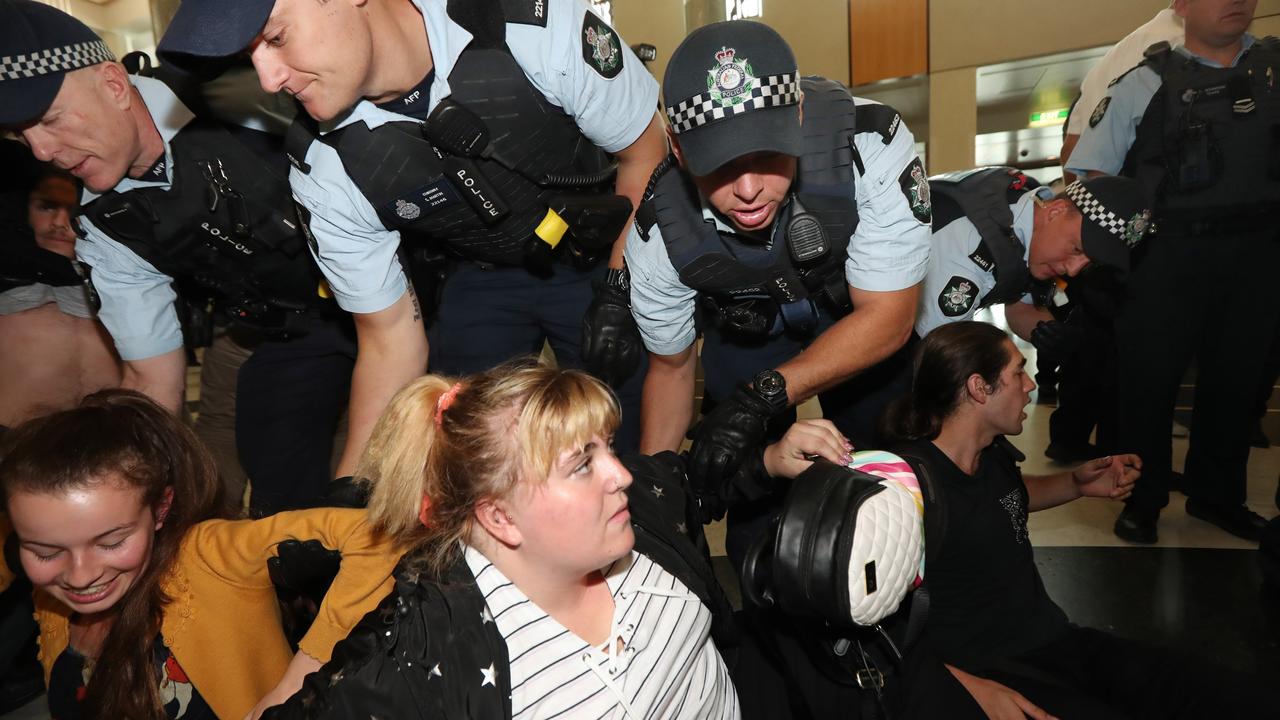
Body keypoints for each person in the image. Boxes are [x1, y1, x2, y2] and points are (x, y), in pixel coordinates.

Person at [155, 0, 670, 454]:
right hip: (481, 271)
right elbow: (388, 342)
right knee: (465, 450)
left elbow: (645, 153)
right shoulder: (329, 170)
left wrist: (619, 290)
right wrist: (355, 493)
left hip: (602, 254)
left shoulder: (533, 28)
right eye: (252, 58)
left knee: (622, 424)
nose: (268, 80)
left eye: (276, 38)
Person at [256, 359, 855, 719]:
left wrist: (769, 462)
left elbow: (689, 486)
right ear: (500, 519)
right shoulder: (421, 652)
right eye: (580, 465)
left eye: (607, 449)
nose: (621, 475)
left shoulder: (637, 512)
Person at [0, 0, 362, 514]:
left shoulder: (249, 85)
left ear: (113, 84)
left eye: (51, 120)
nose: (40, 152)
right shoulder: (105, 229)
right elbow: (151, 381)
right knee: (282, 506)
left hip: (419, 291)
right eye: (22, 135)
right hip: (295, 332)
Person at [627, 21, 929, 553]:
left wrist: (762, 397)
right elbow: (671, 370)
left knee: (896, 460)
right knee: (743, 477)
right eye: (718, 163)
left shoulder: (869, 146)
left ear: (798, 116)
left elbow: (890, 316)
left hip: (855, 314)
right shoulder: (659, 236)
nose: (747, 191)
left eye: (766, 154)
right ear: (676, 148)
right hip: (746, 330)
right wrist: (655, 500)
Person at [881, 321, 1277, 719]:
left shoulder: (990, 452)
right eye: (1018, 371)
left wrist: (1075, 483)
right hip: (987, 670)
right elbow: (874, 632)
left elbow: (1002, 500)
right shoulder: (905, 490)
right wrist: (964, 688)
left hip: (1056, 642)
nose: (1030, 384)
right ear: (979, 387)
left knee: (1228, 695)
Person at [0, 389, 401, 720]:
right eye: (46, 551)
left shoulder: (207, 558)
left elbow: (376, 540)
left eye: (110, 542)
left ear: (160, 509)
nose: (80, 575)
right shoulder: (49, 598)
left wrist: (293, 686)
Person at [1069, 0, 1279, 543]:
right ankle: (1142, 496)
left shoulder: (1276, 69)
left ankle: (1218, 496)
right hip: (1162, 261)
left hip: (1258, 257)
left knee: (1237, 383)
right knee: (1148, 387)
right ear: (1182, 5)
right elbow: (1093, 176)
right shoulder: (1143, 81)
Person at [915, 167, 1151, 341]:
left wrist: (1050, 335)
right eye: (1077, 249)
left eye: (1090, 262)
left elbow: (1020, 306)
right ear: (1056, 211)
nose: (1073, 269)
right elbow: (939, 353)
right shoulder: (971, 239)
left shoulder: (1026, 221)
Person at [0, 140, 121, 432]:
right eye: (47, 206)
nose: (60, 222)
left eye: (72, 209)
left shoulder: (123, 277)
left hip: (110, 447)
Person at [1060, 3, 1184, 183]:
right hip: (1157, 196)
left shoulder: (1105, 63)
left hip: (1105, 198)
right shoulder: (1185, 49)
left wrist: (1080, 204)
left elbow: (1071, 148)